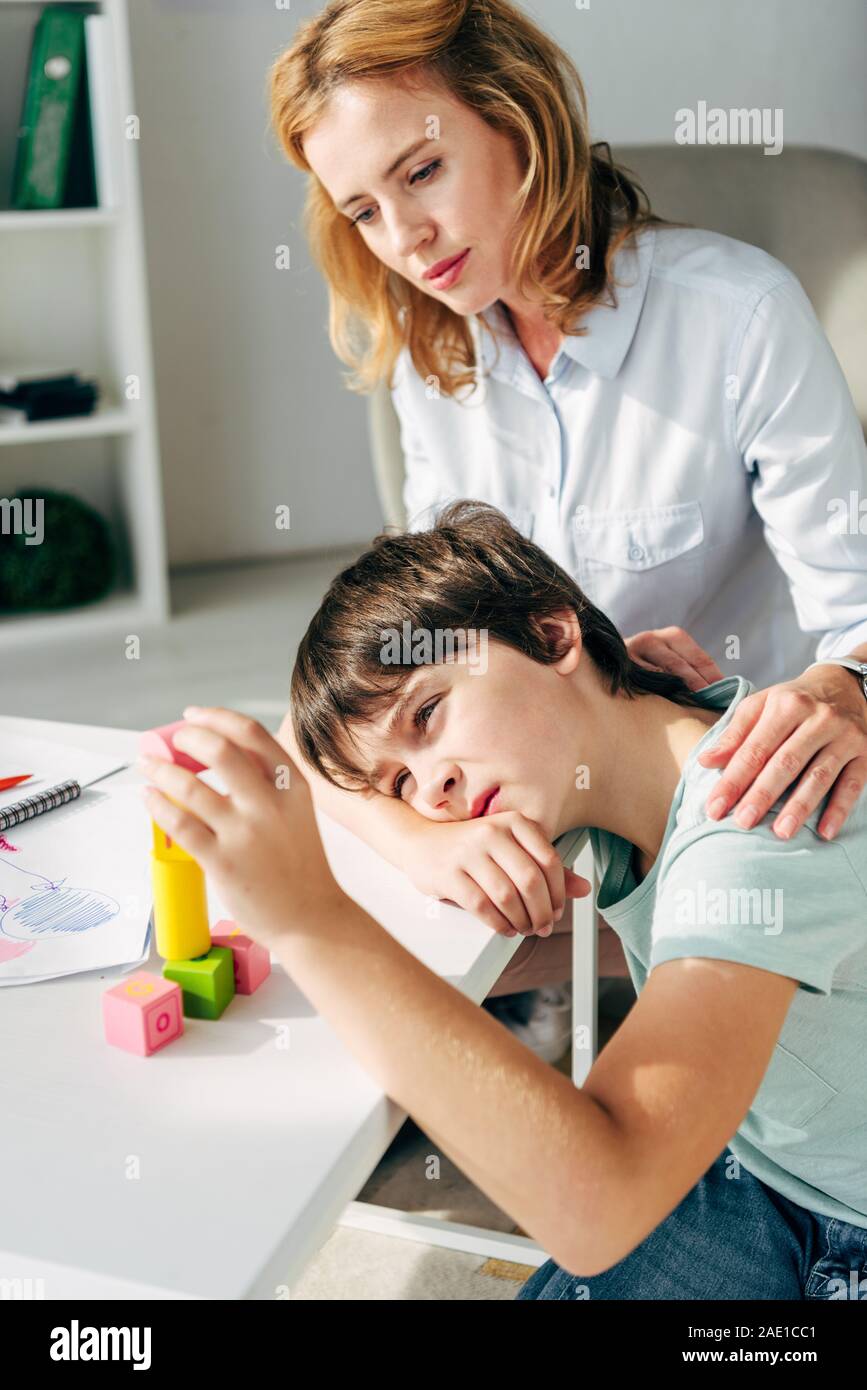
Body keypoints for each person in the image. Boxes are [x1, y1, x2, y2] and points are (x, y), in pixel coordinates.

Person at [268, 0, 867, 1039]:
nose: (404, 240)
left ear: (519, 120)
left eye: (421, 172)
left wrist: (839, 685)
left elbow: (860, 616)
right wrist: (419, 841)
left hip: (728, 820)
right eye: (362, 210)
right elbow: (401, 655)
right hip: (525, 794)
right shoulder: (430, 357)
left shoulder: (738, 315)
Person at [138, 502, 867, 1298]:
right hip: (771, 1176)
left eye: (428, 712)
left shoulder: (755, 813)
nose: (434, 787)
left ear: (554, 636)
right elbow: (301, 749)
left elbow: (602, 1202)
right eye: (402, 785)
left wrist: (311, 921)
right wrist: (414, 842)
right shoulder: (635, 778)